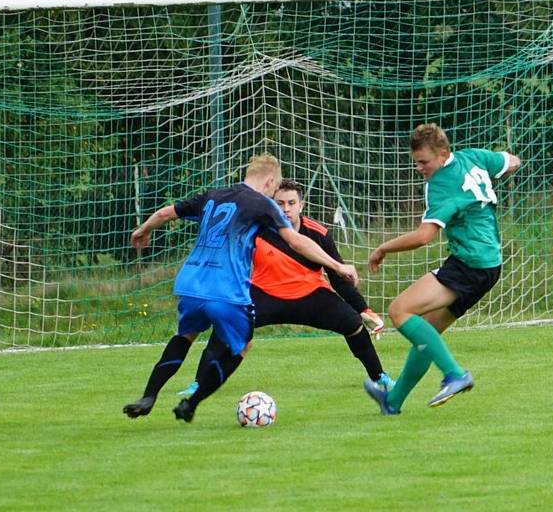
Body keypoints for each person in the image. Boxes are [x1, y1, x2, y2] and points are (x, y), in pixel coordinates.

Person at [123, 154, 359, 423]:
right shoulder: (262, 204)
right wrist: (337, 266)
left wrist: (143, 229)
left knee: (184, 337)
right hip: (225, 290)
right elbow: (296, 241)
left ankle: (149, 395)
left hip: (191, 284)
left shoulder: (214, 195)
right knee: (243, 344)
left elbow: (167, 213)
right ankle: (191, 404)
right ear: (270, 180)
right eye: (275, 187)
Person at [178, 179, 394, 397]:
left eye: (291, 203)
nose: (286, 209)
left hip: (311, 296)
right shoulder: (257, 230)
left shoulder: (319, 234)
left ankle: (379, 377)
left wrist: (363, 309)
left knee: (353, 324)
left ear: (302, 205)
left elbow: (339, 277)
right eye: (279, 203)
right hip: (264, 294)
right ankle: (199, 382)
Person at [363, 123, 521, 414]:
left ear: (443, 153)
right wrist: (496, 173)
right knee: (429, 333)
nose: (420, 168)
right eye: (416, 162)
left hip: (468, 264)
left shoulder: (440, 185)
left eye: (424, 162)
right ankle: (392, 401)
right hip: (489, 264)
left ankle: (455, 374)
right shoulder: (473, 157)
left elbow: (424, 237)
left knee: (399, 311)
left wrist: (383, 248)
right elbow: (512, 161)